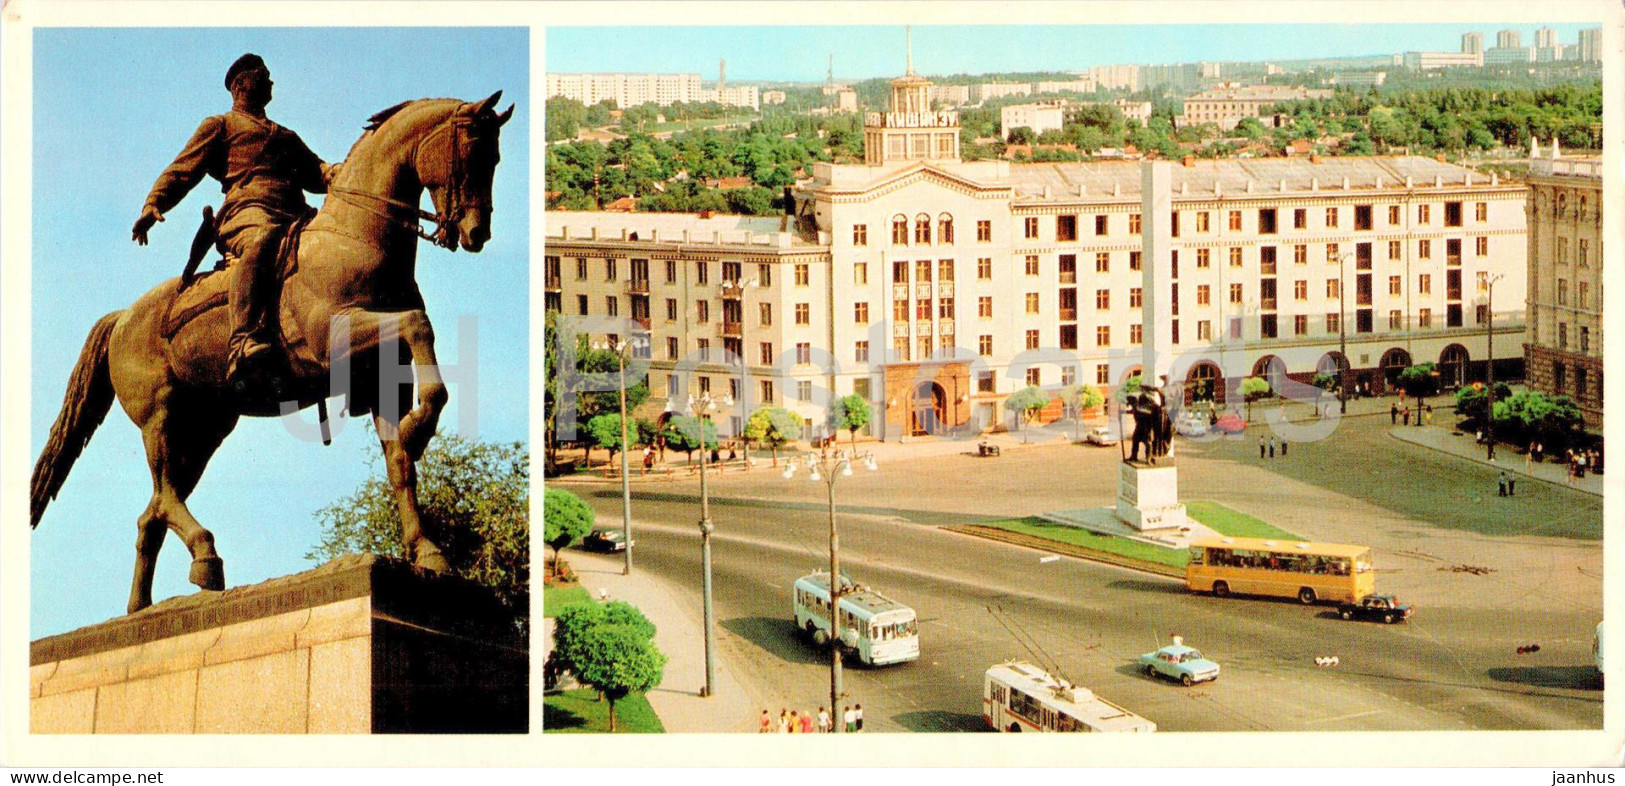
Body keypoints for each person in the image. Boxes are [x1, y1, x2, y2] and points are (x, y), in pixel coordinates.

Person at [134, 53, 338, 389]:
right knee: (263, 240)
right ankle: (242, 340)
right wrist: (154, 202)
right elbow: (182, 170)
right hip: (248, 211)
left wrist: (336, 172)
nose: (271, 80)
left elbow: (315, 171)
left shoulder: (284, 135)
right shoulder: (221, 125)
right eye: (263, 74)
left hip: (295, 215)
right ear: (241, 85)